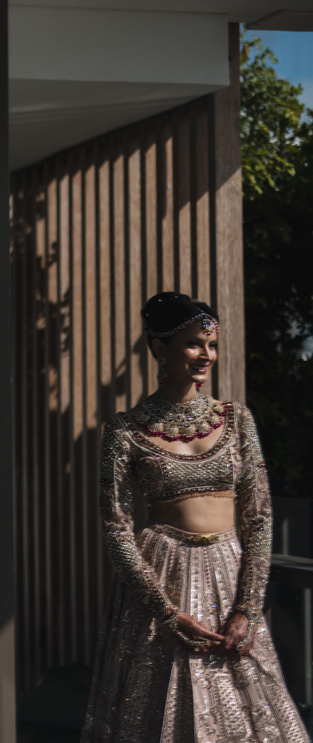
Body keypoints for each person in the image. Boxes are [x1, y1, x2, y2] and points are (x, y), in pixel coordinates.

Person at [81, 291, 308, 742]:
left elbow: (259, 517)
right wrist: (166, 613)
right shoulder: (124, 431)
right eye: (192, 343)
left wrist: (247, 607)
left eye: (211, 344)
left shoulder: (236, 418)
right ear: (158, 347)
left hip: (230, 574)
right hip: (162, 580)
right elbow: (116, 529)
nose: (206, 355)